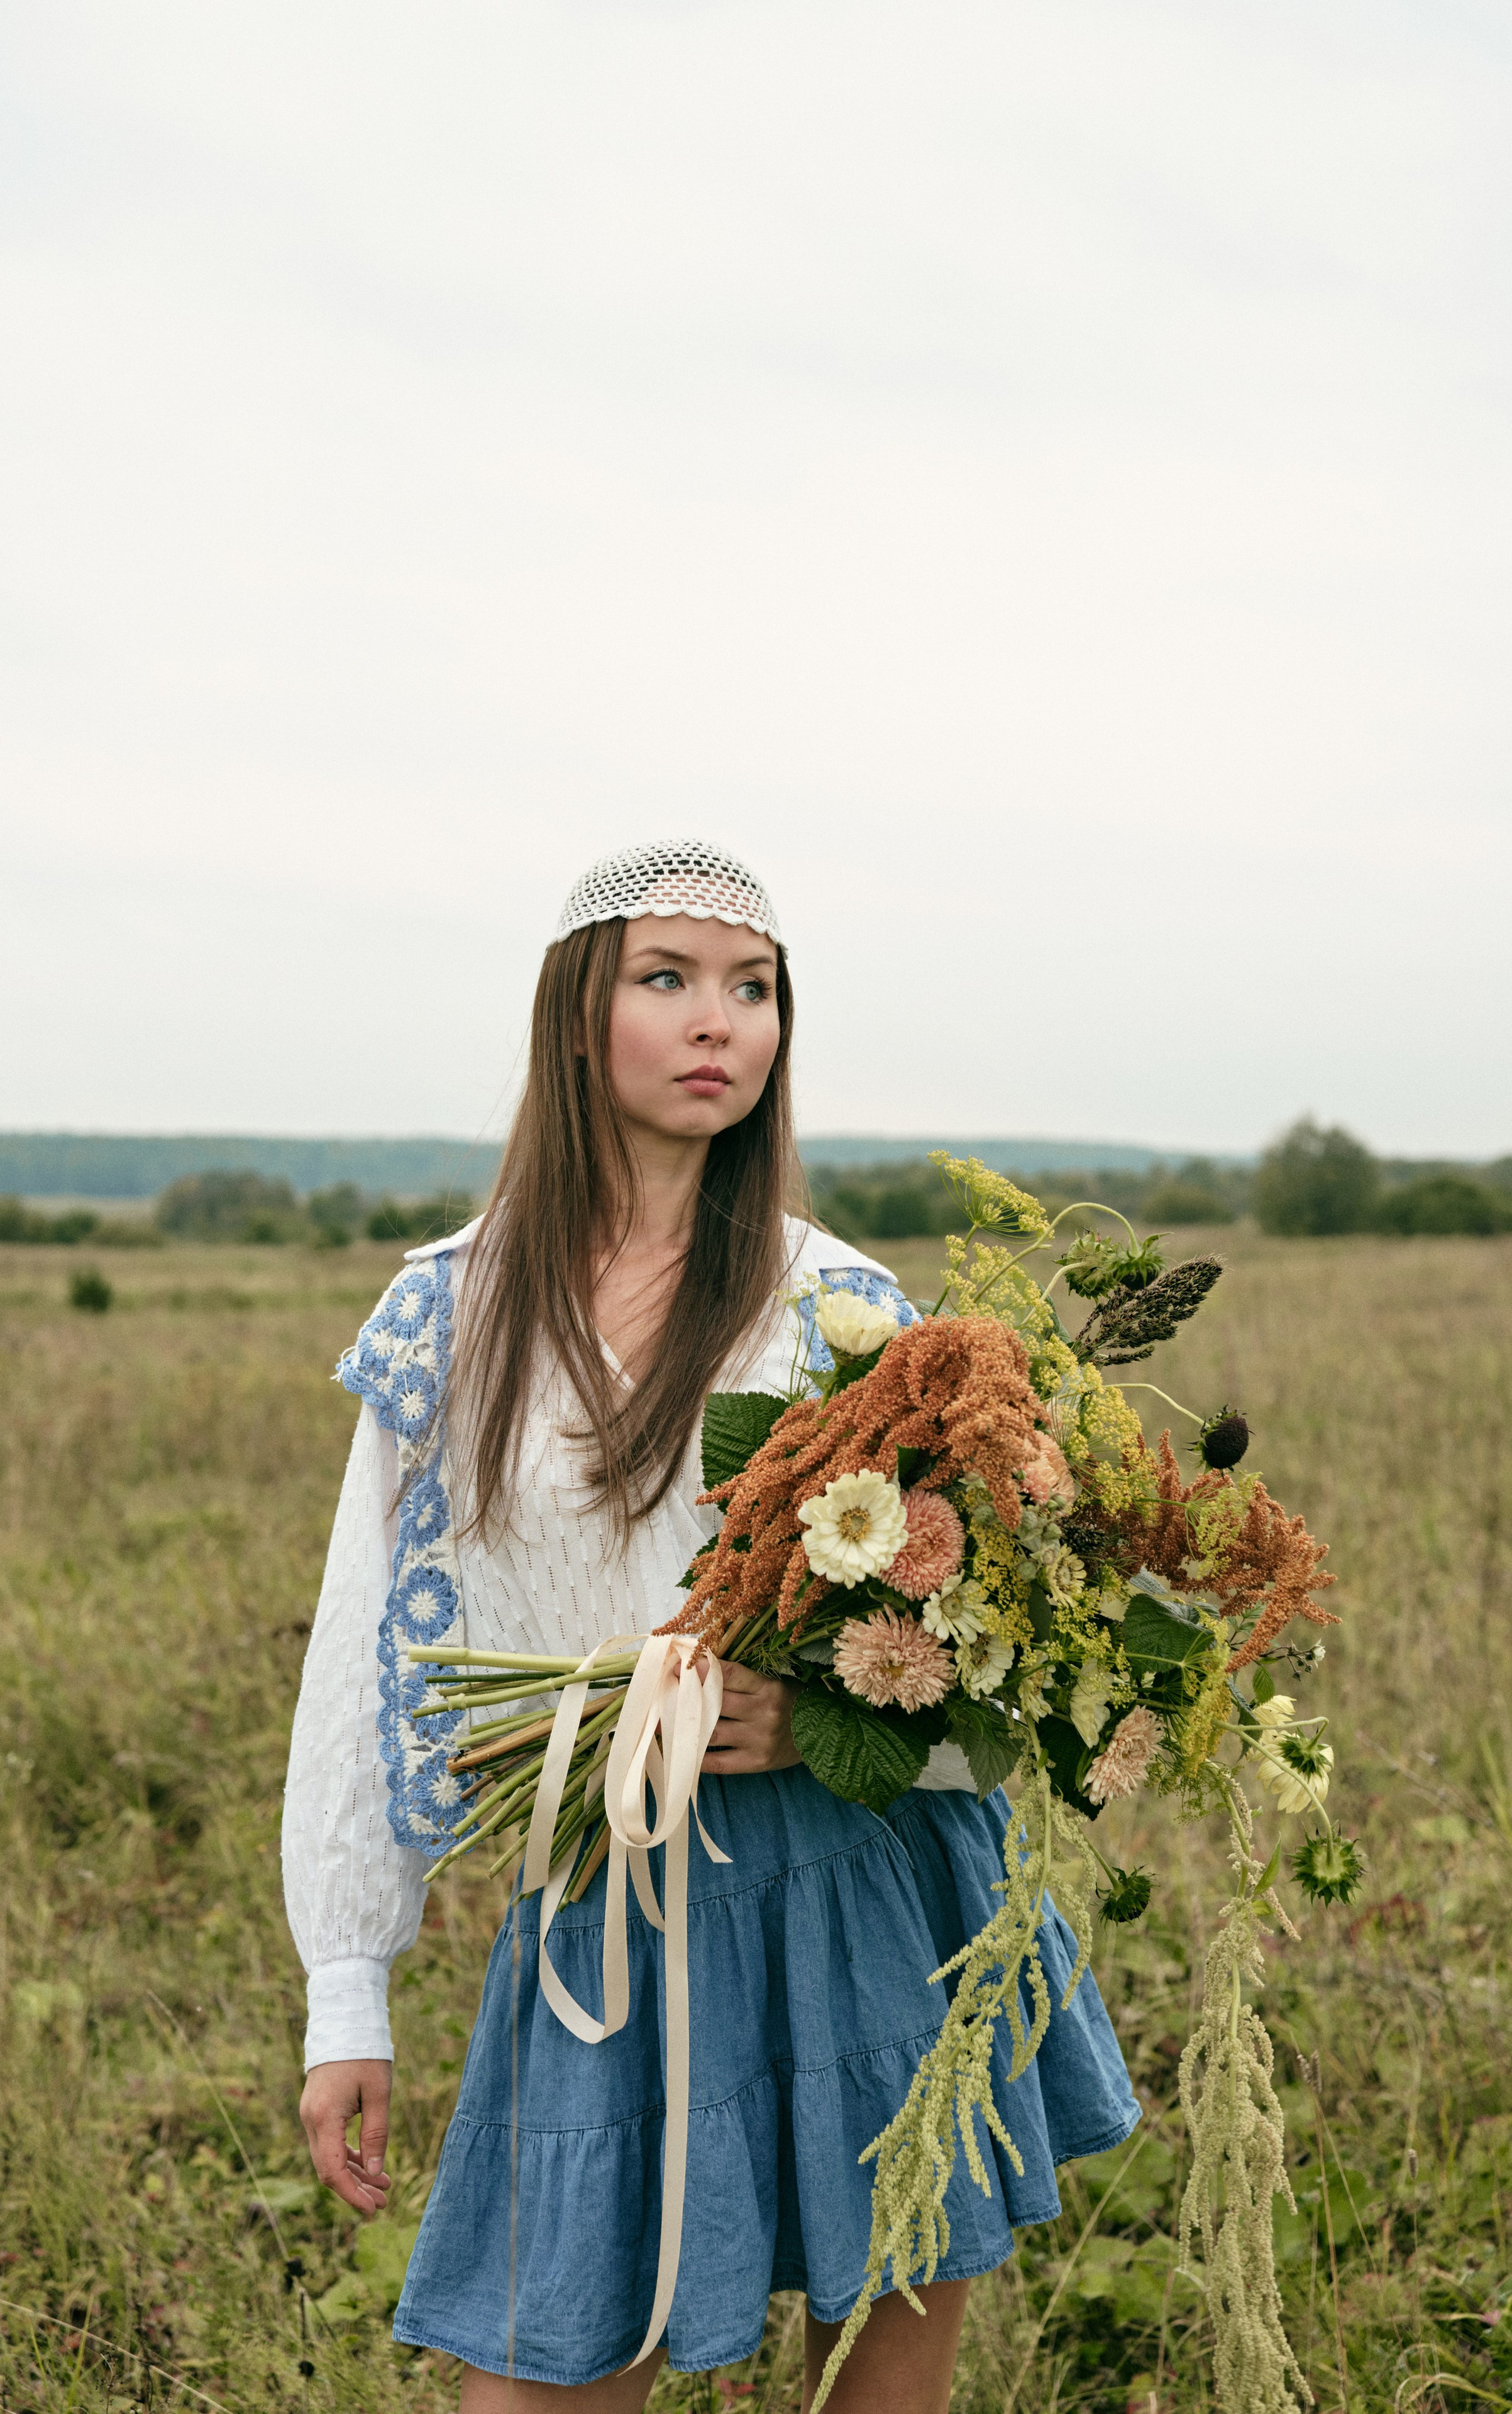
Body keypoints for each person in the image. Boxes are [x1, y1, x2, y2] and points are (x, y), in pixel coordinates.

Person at [282, 841, 1139, 2413]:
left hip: (861, 1895)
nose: (717, 1024)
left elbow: (1002, 1659)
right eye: (665, 979)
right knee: (543, 2375)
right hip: (600, 1894)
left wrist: (826, 1718)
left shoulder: (847, 1312)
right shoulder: (451, 1310)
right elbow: (368, 1664)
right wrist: (350, 1988)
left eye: (751, 990)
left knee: (872, 2378)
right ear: (575, 1015)